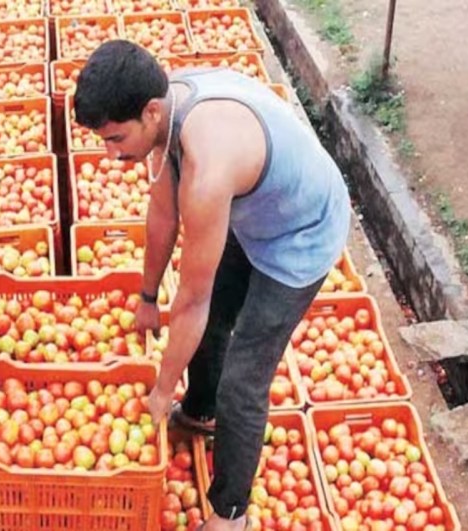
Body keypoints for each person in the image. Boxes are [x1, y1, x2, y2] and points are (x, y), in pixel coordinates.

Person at [74, 40, 351, 531]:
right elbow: (162, 215)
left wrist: (162, 388)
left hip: (300, 234)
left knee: (245, 377)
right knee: (216, 318)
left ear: (150, 112)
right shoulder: (168, 110)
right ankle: (200, 409)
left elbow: (192, 300)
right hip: (254, 210)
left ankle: (231, 513)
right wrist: (145, 297)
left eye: (116, 138)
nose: (111, 153)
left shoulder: (206, 171)